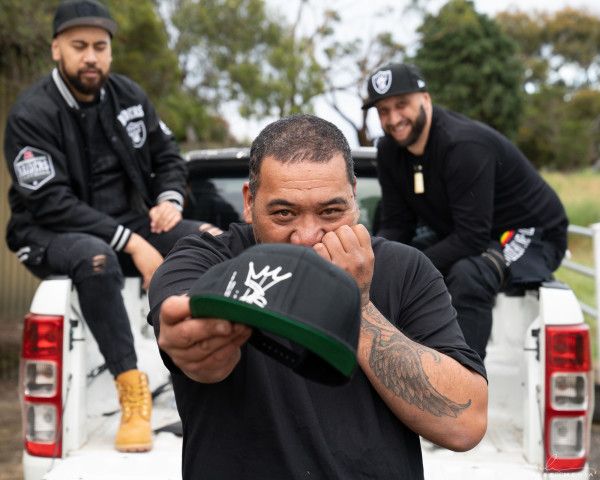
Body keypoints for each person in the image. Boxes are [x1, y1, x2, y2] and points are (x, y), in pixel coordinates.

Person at [147, 114, 488, 479]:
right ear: (249, 202)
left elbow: (464, 425)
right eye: (284, 213)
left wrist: (357, 305)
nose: (308, 236)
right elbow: (202, 353)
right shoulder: (203, 260)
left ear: (353, 198)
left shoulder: (405, 269)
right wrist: (199, 338)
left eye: (330, 211)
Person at [3, 0, 220, 452]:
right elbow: (49, 202)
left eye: (99, 47)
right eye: (79, 46)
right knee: (96, 257)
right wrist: (133, 242)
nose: (91, 57)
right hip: (47, 230)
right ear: (56, 49)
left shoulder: (128, 96)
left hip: (128, 221)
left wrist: (169, 200)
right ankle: (132, 392)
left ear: (110, 51)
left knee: (210, 239)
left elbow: (167, 156)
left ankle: (219, 369)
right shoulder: (31, 114)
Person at [363, 62, 568, 361]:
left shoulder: (463, 145)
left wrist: (409, 269)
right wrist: (375, 261)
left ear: (425, 99)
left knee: (468, 274)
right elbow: (397, 224)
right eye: (383, 111)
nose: (393, 119)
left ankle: (464, 374)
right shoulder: (389, 151)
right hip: (470, 231)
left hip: (530, 231)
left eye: (401, 105)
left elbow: (471, 239)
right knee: (391, 259)